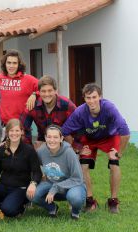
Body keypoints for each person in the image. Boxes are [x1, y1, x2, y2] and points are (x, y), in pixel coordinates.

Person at [62, 83, 130, 213]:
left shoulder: (109, 108)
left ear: (100, 97)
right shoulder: (80, 111)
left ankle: (113, 201)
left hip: (109, 137)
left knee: (114, 164)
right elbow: (65, 131)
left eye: (94, 97)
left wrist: (119, 153)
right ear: (84, 98)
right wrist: (77, 148)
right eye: (88, 98)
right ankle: (90, 200)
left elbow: (125, 132)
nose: (92, 101)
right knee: (83, 166)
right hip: (89, 139)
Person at [0, 119, 41, 219]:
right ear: (7, 132)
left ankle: (20, 207)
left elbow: (36, 171)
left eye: (17, 130)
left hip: (20, 189)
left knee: (9, 210)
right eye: (11, 131)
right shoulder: (1, 149)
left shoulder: (29, 150)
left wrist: (33, 183)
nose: (14, 133)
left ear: (22, 132)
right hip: (4, 186)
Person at [32, 125, 86, 220]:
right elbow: (33, 165)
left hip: (73, 185)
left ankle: (75, 211)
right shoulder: (42, 151)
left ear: (61, 139)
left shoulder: (69, 152)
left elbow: (77, 178)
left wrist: (55, 188)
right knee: (32, 194)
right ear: (45, 138)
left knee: (75, 197)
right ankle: (52, 208)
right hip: (51, 183)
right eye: (49, 137)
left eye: (55, 137)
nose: (52, 140)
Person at [20, 75, 76, 148]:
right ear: (39, 92)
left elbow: (79, 125)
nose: (47, 94)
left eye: (50, 91)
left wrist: (76, 146)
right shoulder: (33, 105)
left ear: (56, 91)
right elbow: (22, 127)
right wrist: (29, 148)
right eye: (43, 91)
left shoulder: (67, 105)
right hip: (43, 143)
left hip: (63, 144)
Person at [0, 49, 38, 126]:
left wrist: (34, 94)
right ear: (5, 64)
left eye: (14, 63)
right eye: (9, 63)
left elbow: (46, 88)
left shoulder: (28, 79)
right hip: (5, 125)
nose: (11, 66)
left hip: (22, 125)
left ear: (19, 65)